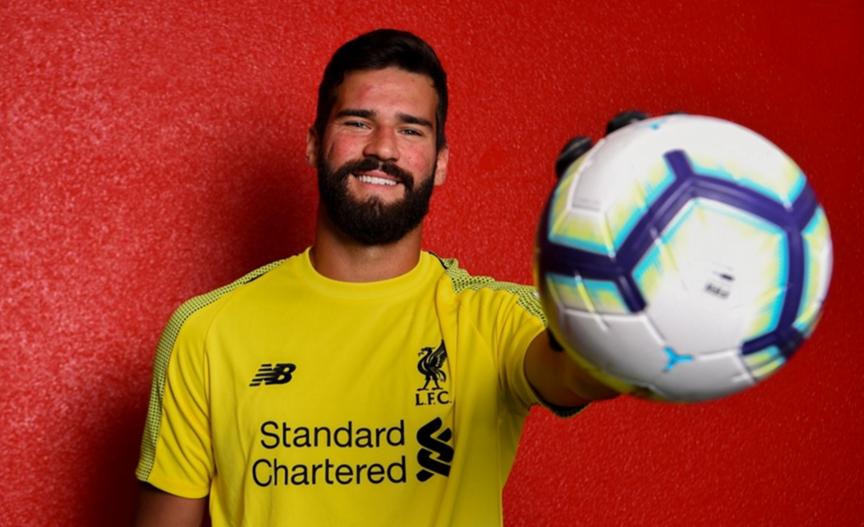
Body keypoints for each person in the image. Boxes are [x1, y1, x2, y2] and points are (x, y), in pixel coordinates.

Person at [134, 28, 616, 527]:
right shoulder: (206, 329)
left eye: (411, 130)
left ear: (441, 162)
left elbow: (578, 370)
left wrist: (623, 283)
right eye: (359, 122)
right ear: (314, 144)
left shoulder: (493, 318)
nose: (383, 148)